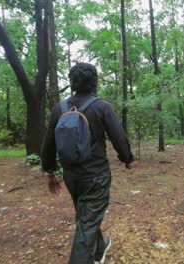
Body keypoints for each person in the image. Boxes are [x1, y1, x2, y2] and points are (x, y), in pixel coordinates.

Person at [41, 62, 134, 264]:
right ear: (95, 82)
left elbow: (48, 143)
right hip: (96, 176)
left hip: (71, 176)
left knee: (86, 219)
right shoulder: (102, 107)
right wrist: (127, 158)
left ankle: (100, 247)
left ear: (72, 82)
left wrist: (49, 171)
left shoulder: (60, 108)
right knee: (87, 221)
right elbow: (119, 138)